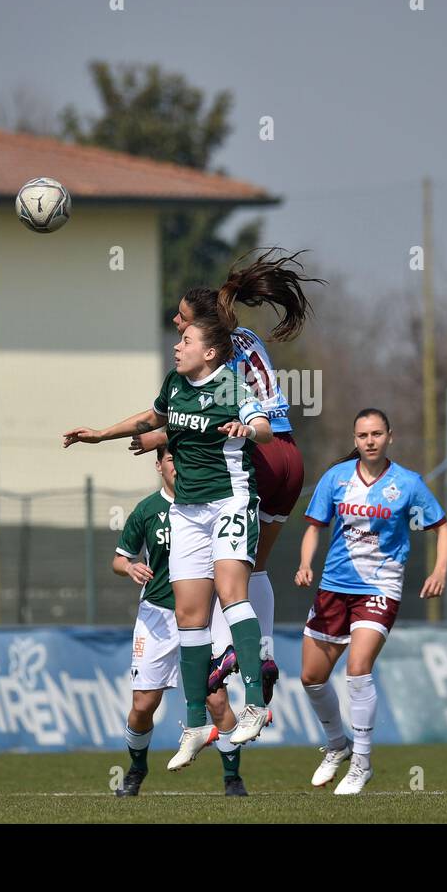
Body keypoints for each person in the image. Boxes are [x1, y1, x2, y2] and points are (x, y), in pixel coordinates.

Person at [65, 313, 273, 770]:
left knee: (232, 592)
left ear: (211, 352)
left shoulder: (231, 387)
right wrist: (100, 435)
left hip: (230, 502)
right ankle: (197, 722)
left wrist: (246, 428)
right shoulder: (175, 383)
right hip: (188, 512)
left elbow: (264, 426)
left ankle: (255, 705)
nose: (178, 346)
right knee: (188, 614)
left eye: (186, 339)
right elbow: (151, 418)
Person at [132, 249, 324, 702]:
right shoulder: (248, 337)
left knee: (214, 570)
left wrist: (157, 439)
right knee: (255, 567)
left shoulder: (211, 361)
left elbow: (204, 417)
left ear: (204, 328)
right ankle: (266, 652)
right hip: (289, 457)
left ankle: (227, 654)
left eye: (183, 319)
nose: (178, 326)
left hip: (256, 453)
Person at [295, 408, 447, 794]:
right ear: (355, 439)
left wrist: (440, 570)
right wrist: (304, 563)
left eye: (377, 433)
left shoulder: (408, 484)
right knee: (311, 678)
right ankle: (338, 745)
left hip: (380, 588)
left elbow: (443, 528)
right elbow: (314, 528)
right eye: (363, 434)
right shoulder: (335, 479)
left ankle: (362, 763)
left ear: (389, 437)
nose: (370, 440)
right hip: (334, 587)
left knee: (358, 668)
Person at [111, 444, 249, 796]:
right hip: (157, 615)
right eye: (172, 459)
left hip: (202, 616)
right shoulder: (147, 509)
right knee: (143, 705)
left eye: (184, 458)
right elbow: (118, 559)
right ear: (159, 466)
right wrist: (129, 566)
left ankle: (232, 779)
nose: (179, 465)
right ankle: (137, 768)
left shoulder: (209, 507)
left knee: (216, 699)